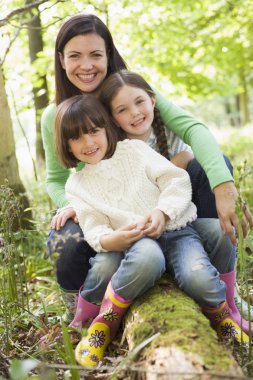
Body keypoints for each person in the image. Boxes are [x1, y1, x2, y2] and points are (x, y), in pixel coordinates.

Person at [41, 13, 253, 321]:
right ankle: (81, 314)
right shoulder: (55, 115)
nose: (86, 65)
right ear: (61, 60)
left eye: (96, 55)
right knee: (63, 239)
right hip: (106, 209)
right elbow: (55, 180)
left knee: (216, 164)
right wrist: (75, 204)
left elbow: (194, 129)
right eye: (75, 56)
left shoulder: (128, 92)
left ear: (109, 55)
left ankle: (212, 281)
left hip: (163, 198)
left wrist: (224, 186)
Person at [54, 94, 248, 367]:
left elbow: (176, 180)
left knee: (200, 275)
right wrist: (113, 239)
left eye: (94, 131)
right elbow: (93, 225)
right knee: (148, 257)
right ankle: (104, 323)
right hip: (136, 243)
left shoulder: (134, 150)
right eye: (77, 138)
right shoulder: (77, 185)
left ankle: (223, 315)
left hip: (177, 230)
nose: (88, 143)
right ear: (66, 146)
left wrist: (162, 211)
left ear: (107, 128)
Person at [99, 69, 253, 334]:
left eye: (139, 102)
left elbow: (194, 151)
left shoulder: (167, 133)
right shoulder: (115, 148)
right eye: (122, 110)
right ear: (112, 117)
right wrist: (174, 166)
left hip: (180, 220)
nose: (135, 113)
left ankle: (228, 300)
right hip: (144, 228)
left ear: (153, 100)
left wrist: (185, 165)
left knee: (216, 166)